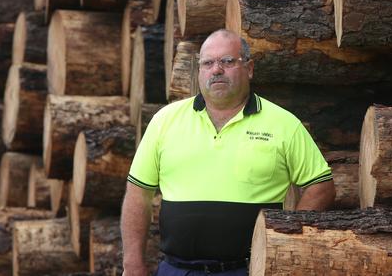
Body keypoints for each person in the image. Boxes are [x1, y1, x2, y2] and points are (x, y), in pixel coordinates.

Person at [121, 29, 336, 276]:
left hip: (249, 270)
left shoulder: (283, 124)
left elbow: (321, 186)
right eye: (208, 63)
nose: (216, 70)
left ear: (250, 68)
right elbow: (139, 191)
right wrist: (132, 262)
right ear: (199, 70)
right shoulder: (165, 121)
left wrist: (288, 237)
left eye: (227, 61)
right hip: (176, 270)